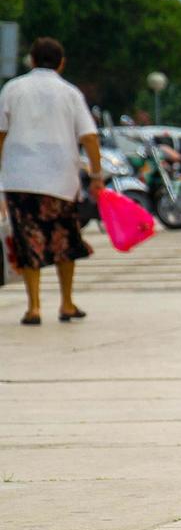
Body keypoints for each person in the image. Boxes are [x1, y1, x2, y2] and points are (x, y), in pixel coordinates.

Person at [0, 37, 101, 326]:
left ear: (31, 60)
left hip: (20, 179)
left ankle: (33, 307)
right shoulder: (69, 93)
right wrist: (96, 175)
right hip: (61, 180)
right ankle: (67, 303)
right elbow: (90, 137)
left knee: (28, 240)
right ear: (62, 62)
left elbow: (0, 133)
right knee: (64, 241)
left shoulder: (12, 88)